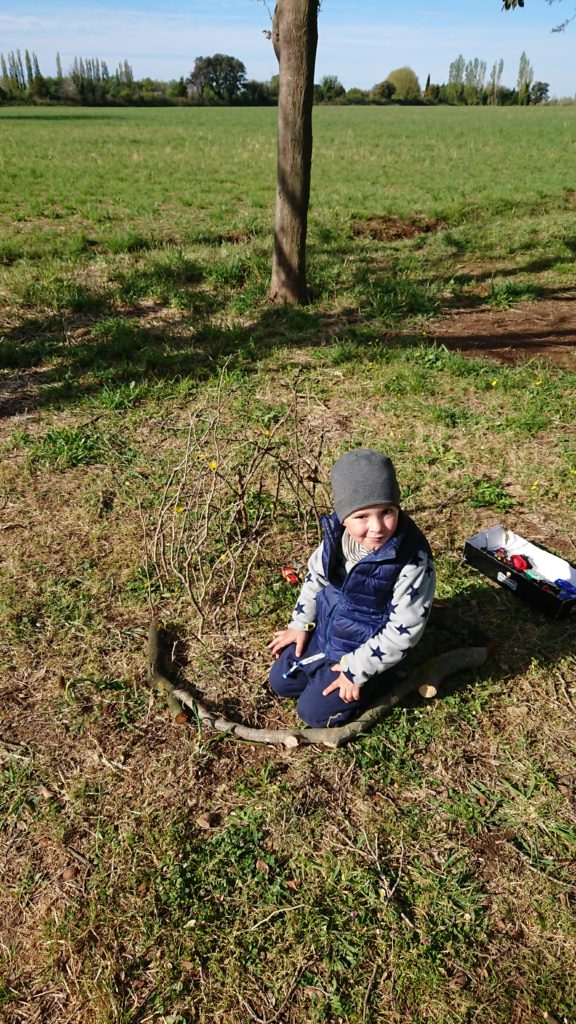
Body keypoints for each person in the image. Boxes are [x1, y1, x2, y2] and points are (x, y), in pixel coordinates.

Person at [268, 448, 435, 728]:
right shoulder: (336, 539)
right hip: (328, 633)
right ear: (343, 517)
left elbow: (403, 629)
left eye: (387, 512)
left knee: (314, 713)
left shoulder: (411, 560)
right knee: (281, 682)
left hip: (370, 648)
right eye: (362, 516)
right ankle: (326, 665)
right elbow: (315, 579)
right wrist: (299, 624)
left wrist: (357, 670)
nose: (377, 527)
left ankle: (381, 678)